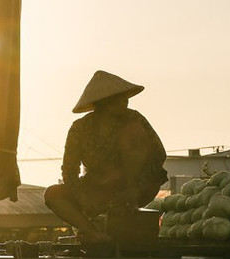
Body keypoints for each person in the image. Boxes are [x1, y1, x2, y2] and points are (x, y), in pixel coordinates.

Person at [44, 70, 167, 244]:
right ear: (105, 102)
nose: (126, 101)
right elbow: (69, 169)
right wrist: (81, 196)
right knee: (53, 194)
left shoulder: (134, 119)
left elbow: (158, 154)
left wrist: (134, 189)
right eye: (120, 98)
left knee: (133, 131)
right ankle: (92, 232)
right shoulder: (80, 128)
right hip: (98, 189)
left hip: (136, 187)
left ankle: (125, 206)